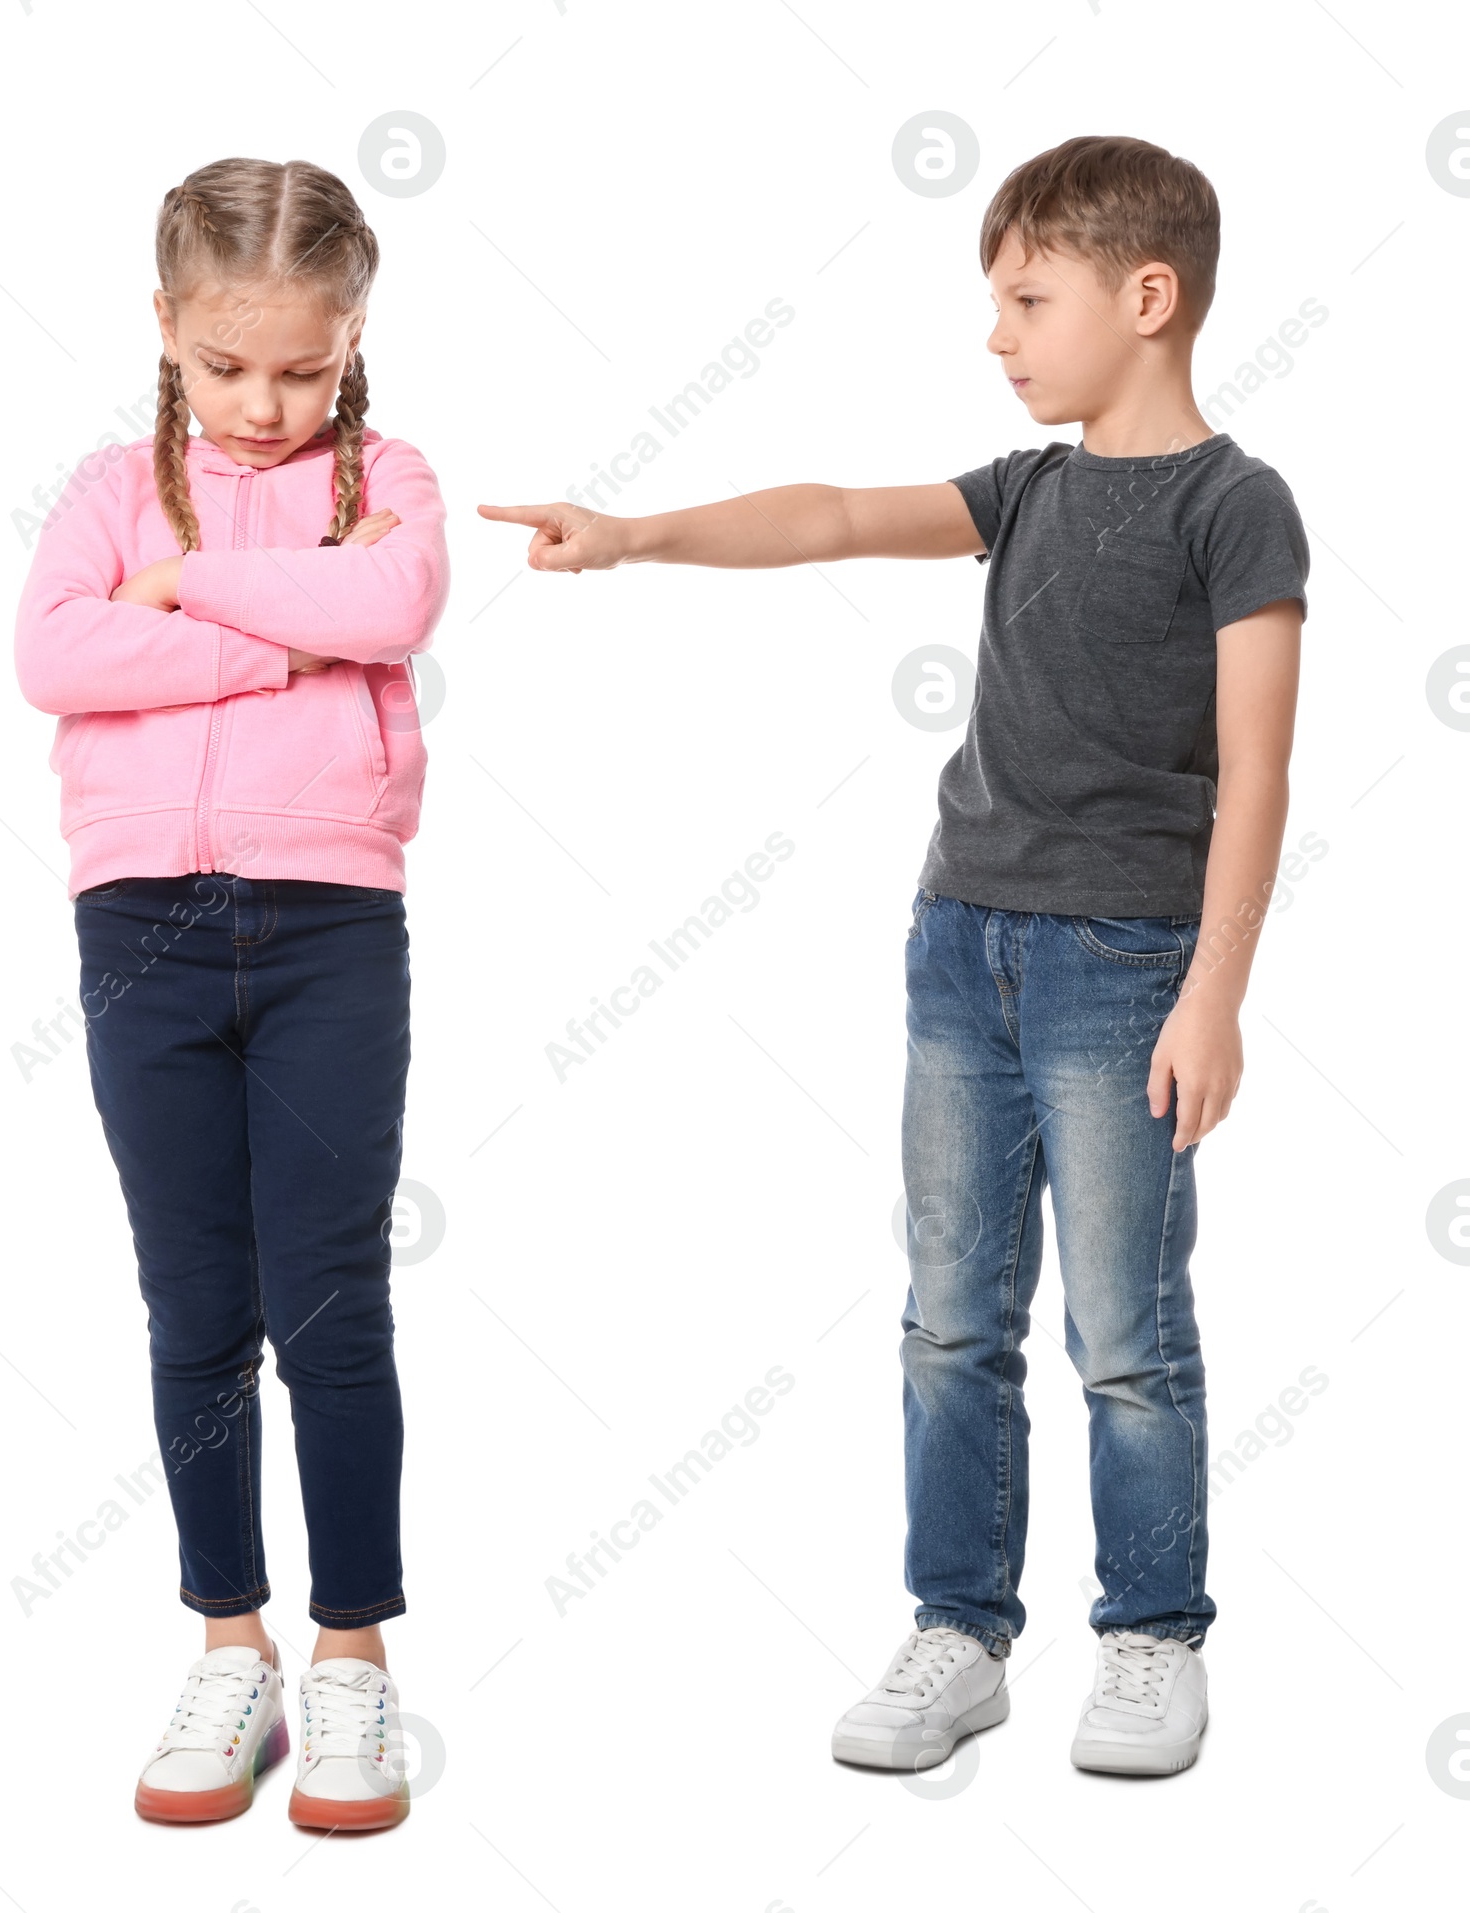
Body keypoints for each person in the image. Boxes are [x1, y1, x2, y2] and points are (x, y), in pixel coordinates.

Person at [480, 134, 1308, 1777]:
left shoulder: (1236, 505)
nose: (997, 335)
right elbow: (840, 512)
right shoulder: (1030, 489)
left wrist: (1214, 990)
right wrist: (637, 533)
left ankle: (1150, 1637)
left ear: (1148, 299)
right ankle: (959, 1628)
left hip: (1123, 968)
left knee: (1127, 1332)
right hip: (960, 949)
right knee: (949, 1319)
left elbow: (1261, 771)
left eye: (1025, 299)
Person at [14, 157, 449, 1827]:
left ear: (353, 340)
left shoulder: (386, 473)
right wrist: (290, 640)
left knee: (330, 1300)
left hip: (334, 920)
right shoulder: (110, 485)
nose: (265, 405)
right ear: (167, 330)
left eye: (305, 368)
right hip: (141, 928)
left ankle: (353, 1660)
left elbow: (393, 597)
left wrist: (187, 589)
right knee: (196, 1302)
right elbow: (53, 654)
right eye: (227, 366)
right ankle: (231, 1642)